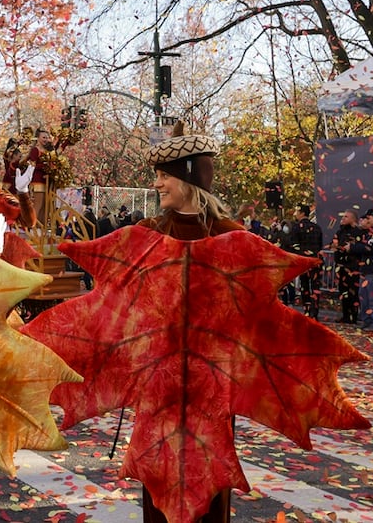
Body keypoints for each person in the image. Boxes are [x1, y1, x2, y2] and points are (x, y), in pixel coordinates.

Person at [137, 121, 243, 523]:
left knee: (209, 472)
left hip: (211, 380)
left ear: (187, 179)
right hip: (158, 377)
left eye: (165, 176)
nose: (158, 184)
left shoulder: (231, 237)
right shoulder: (146, 234)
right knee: (158, 471)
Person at [289, 204, 324, 319]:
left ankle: (307, 310)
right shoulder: (317, 228)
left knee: (304, 285)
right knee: (315, 286)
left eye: (297, 212)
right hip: (316, 260)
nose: (295, 214)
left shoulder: (296, 227)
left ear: (302, 213)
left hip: (304, 261)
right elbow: (320, 245)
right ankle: (315, 311)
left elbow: (294, 245)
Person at [331, 209, 364, 324]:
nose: (343, 218)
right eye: (343, 216)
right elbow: (335, 245)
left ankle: (353, 316)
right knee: (343, 291)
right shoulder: (340, 231)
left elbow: (357, 247)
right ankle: (345, 315)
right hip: (341, 265)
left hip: (352, 266)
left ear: (353, 219)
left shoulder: (358, 232)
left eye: (346, 217)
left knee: (352, 291)